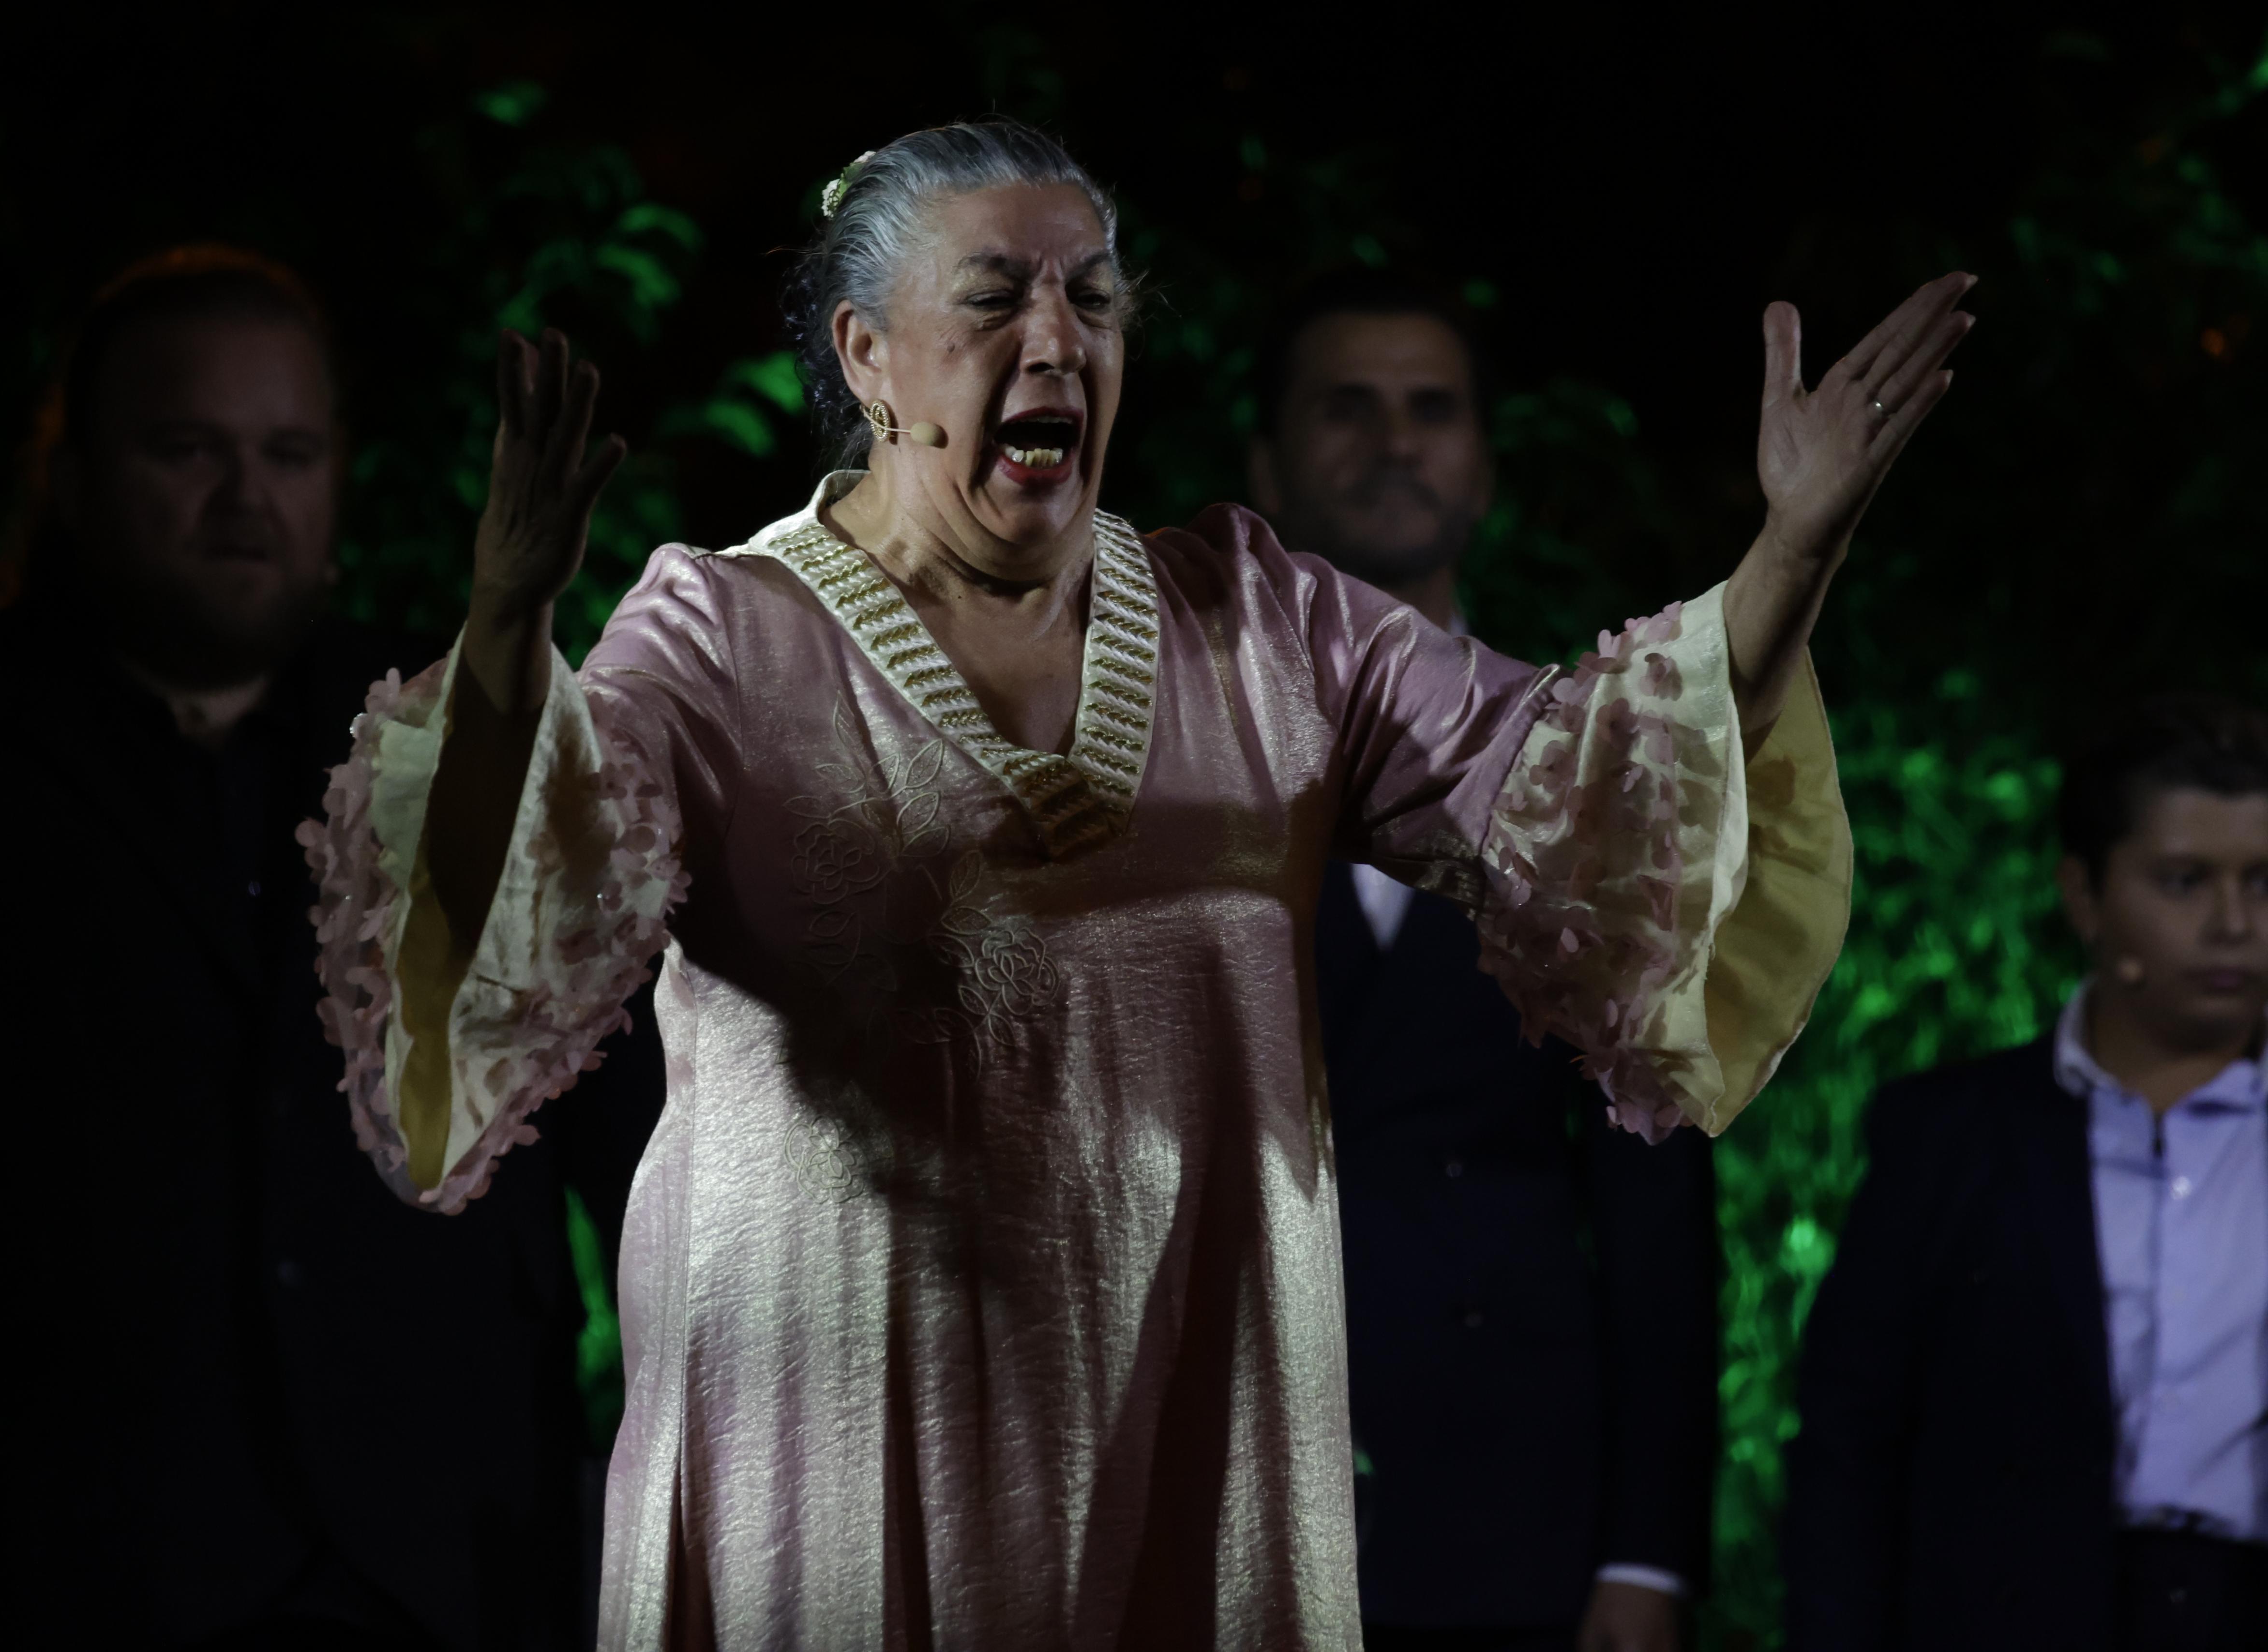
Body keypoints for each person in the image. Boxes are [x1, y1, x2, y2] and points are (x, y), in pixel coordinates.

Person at [300, 121, 1959, 1647]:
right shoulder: (729, 637)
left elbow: (1583, 788)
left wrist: (1790, 553)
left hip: (1198, 1425)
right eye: (997, 296)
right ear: (866, 354)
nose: (1060, 340)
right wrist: (510, 638)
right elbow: (523, 932)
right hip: (849, 1450)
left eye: (1094, 297)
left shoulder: (1267, 622)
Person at [0, 247, 656, 1650]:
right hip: (32, 1570)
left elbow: (652, 1163)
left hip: (444, 1567)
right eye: (186, 447)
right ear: (69, 477)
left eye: (289, 451)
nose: (245, 498)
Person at [1252, 270, 1715, 1652]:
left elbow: (1657, 1207)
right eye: (1348, 406)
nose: (1394, 439)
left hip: (1509, 1503)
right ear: (1264, 463)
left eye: (1430, 409)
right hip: (1236, 1484)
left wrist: (1652, 1554)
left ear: (1485, 467)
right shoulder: (1160, 766)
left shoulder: (1593, 779)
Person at [1785, 695, 2268, 1652]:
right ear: (2084, 894)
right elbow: (1852, 1440)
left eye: (2262, 881)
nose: (2232, 922)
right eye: (2182, 881)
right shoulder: (1953, 1135)